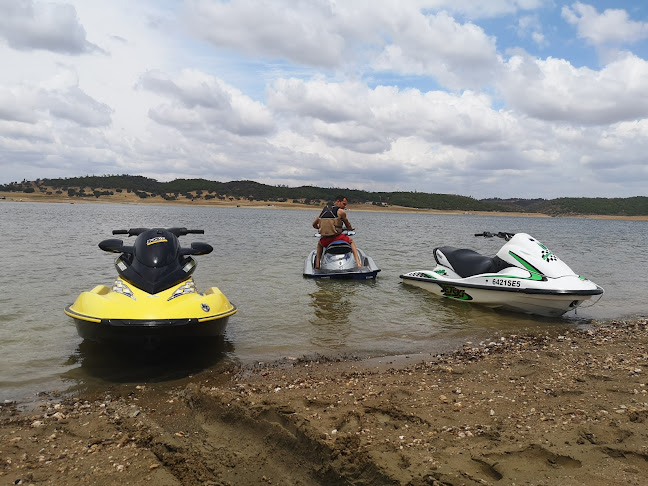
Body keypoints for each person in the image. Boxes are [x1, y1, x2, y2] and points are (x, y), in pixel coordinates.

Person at [312, 195, 363, 269]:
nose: (345, 206)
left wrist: (320, 228)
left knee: (320, 244)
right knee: (351, 241)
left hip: (326, 241)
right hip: (337, 238)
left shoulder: (323, 211)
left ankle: (317, 265)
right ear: (338, 202)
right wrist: (351, 228)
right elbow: (347, 225)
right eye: (344, 204)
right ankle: (358, 263)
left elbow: (314, 224)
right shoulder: (341, 212)